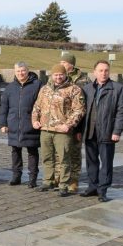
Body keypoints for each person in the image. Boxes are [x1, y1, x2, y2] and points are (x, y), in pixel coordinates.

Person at [32, 64, 85, 197]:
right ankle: (48, 181)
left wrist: (68, 124)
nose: (58, 77)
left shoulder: (74, 89)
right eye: (55, 74)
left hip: (62, 131)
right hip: (45, 129)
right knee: (47, 157)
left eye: (61, 74)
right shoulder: (45, 89)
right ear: (51, 75)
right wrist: (34, 120)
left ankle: (63, 185)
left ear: (65, 74)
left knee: (64, 159)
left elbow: (79, 110)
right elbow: (36, 107)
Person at [80, 60, 123, 202]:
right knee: (91, 162)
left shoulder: (117, 88)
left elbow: (122, 111)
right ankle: (92, 187)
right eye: (100, 70)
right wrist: (79, 130)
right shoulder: (87, 88)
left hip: (107, 132)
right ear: (94, 72)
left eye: (106, 70)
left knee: (106, 163)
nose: (103, 73)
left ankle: (103, 190)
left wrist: (117, 131)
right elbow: (81, 111)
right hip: (90, 132)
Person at [0, 62, 42, 188]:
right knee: (15, 151)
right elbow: (4, 107)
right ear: (15, 72)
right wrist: (3, 123)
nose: (20, 73)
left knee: (32, 152)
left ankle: (32, 178)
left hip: (31, 125)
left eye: (23, 70)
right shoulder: (10, 87)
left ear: (28, 70)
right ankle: (16, 176)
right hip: (14, 125)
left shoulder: (37, 85)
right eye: (18, 71)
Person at [57, 52, 90, 193]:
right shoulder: (58, 76)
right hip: (60, 122)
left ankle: (74, 180)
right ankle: (59, 178)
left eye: (64, 62)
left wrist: (80, 128)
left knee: (75, 153)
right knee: (60, 152)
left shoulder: (84, 80)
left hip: (76, 123)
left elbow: (86, 105)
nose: (61, 65)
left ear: (71, 64)